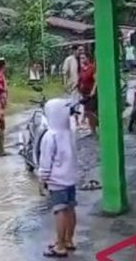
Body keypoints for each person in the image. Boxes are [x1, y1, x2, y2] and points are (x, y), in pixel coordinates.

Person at [38, 98, 78, 258]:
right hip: (70, 178)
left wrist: (42, 179)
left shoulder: (50, 136)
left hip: (57, 181)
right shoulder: (70, 133)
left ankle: (60, 246)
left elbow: (46, 161)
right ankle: (68, 240)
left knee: (59, 211)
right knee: (70, 209)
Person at [78, 53, 97, 136]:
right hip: (84, 93)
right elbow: (81, 80)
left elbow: (96, 80)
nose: (82, 60)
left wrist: (93, 90)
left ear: (88, 58)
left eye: (83, 58)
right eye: (80, 58)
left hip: (91, 94)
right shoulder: (82, 69)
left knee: (89, 112)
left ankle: (96, 127)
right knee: (87, 112)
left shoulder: (92, 68)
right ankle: (92, 130)